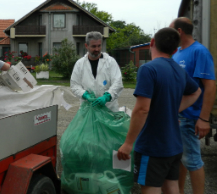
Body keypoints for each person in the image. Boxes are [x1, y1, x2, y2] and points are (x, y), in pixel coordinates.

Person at [117, 28, 201, 194]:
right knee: (171, 187)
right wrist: (173, 107)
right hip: (174, 145)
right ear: (175, 49)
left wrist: (128, 144)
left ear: (152, 42)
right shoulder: (179, 70)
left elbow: (141, 110)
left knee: (151, 188)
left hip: (152, 146)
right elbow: (196, 91)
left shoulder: (148, 69)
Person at [170, 17, 216, 194]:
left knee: (193, 161)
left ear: (179, 32)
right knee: (180, 159)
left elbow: (210, 86)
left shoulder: (199, 52)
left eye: (170, 30)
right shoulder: (178, 52)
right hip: (177, 116)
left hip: (190, 116)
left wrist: (203, 119)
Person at [70, 31, 123, 112]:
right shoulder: (80, 64)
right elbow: (74, 85)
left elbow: (118, 82)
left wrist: (107, 96)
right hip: (88, 110)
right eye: (93, 46)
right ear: (86, 46)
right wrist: (85, 94)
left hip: (109, 109)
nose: (97, 49)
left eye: (99, 46)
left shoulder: (110, 62)